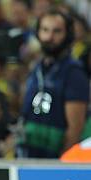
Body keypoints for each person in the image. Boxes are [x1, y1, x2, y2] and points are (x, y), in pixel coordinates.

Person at [19, 9, 89, 158]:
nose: (49, 37)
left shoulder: (73, 73)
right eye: (45, 30)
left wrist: (61, 164)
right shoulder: (36, 69)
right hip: (29, 155)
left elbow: (75, 129)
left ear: (68, 35)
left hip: (55, 159)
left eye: (57, 31)